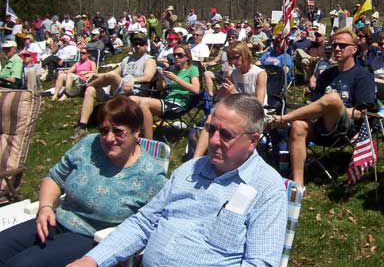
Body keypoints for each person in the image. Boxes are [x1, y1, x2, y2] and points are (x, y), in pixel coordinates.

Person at [67, 94, 287, 267]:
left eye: (226, 135)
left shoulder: (266, 189)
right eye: (211, 130)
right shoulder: (190, 170)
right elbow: (143, 223)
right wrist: (92, 260)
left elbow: (260, 262)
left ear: (252, 141)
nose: (213, 140)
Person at [0, 96, 167, 267]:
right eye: (104, 130)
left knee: (21, 264)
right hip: (54, 219)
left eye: (118, 131)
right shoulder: (89, 144)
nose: (109, 138)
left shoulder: (151, 176)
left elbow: (152, 226)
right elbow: (54, 178)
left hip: (92, 238)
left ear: (136, 131)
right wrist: (45, 207)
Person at [265, 27, 375, 186]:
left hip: (345, 128)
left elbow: (363, 112)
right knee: (297, 125)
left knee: (332, 98)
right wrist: (321, 111)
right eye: (334, 45)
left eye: (342, 46)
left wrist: (334, 108)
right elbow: (314, 104)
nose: (337, 49)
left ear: (353, 49)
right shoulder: (326, 74)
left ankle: (281, 119)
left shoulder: (363, 75)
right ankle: (298, 184)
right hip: (320, 127)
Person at [71, 33, 156, 140]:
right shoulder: (127, 59)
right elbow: (113, 72)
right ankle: (82, 127)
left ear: (146, 45)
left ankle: (81, 89)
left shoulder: (149, 59)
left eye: (141, 43)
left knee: (112, 77)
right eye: (135, 43)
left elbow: (148, 77)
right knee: (91, 89)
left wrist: (133, 80)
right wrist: (95, 74)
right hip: (119, 88)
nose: (138, 46)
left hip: (134, 90)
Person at [194, 41, 267, 157]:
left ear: (245, 54)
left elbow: (259, 103)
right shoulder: (234, 73)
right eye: (230, 58)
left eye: (235, 57)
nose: (232, 61)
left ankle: (226, 155)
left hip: (254, 113)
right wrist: (223, 94)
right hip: (237, 110)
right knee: (210, 119)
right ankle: (196, 158)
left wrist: (235, 93)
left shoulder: (259, 74)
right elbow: (229, 98)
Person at [130, 44, 200, 139]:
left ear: (187, 57)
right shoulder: (174, 70)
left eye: (179, 55)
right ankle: (134, 132)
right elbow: (162, 88)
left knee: (143, 104)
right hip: (167, 100)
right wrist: (160, 79)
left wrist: (176, 79)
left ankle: (148, 141)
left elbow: (196, 90)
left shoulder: (193, 69)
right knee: (131, 99)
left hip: (177, 104)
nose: (176, 57)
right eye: (174, 54)